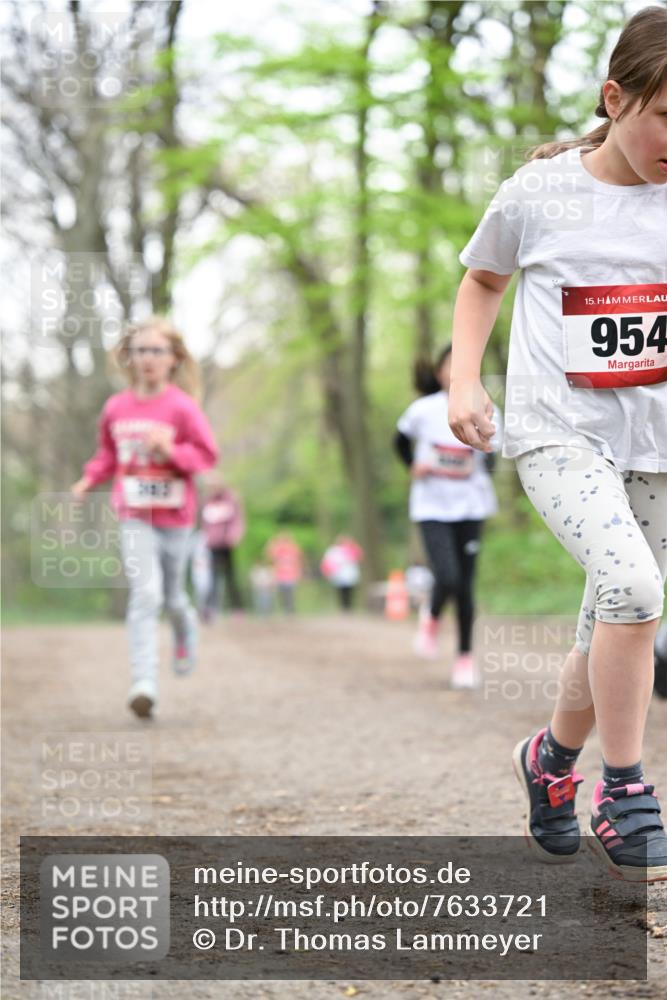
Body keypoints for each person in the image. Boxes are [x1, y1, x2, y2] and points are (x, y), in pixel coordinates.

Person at [448, 6, 667, 881]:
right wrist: (465, 384)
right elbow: (481, 281)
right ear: (615, 99)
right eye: (665, 119)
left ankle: (548, 760)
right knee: (630, 584)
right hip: (557, 431)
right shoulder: (539, 192)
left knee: (611, 612)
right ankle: (622, 786)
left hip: (651, 435)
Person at [71, 317, 218, 719]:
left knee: (173, 598)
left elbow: (206, 456)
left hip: (176, 517)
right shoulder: (116, 408)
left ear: (173, 359)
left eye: (157, 351)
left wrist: (171, 452)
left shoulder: (182, 407)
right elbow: (106, 454)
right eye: (140, 351)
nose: (148, 358)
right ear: (129, 358)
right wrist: (87, 481)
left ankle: (185, 628)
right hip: (134, 513)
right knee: (146, 593)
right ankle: (144, 683)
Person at [395, 346, 500, 687]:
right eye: (448, 365)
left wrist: (479, 463)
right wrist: (414, 466)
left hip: (470, 505)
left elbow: (494, 454)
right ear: (440, 371)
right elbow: (398, 441)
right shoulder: (422, 410)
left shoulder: (485, 406)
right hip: (431, 505)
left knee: (467, 584)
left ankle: (465, 659)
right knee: (448, 575)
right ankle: (432, 615)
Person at [200, 477, 246, 621]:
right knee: (213, 576)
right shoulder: (207, 501)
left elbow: (237, 519)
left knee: (230, 576)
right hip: (213, 544)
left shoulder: (231, 498)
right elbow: (205, 523)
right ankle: (209, 609)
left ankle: (237, 608)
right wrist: (206, 537)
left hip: (227, 544)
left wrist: (234, 536)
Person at [320, 536, 364, 611]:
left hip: (349, 574)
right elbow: (329, 561)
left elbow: (358, 556)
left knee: (349, 591)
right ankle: (343, 606)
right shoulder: (334, 550)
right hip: (339, 574)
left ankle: (348, 606)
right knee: (341, 590)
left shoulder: (351, 549)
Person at [266, 533, 303, 613]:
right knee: (282, 595)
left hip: (291, 576)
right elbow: (269, 555)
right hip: (280, 576)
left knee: (290, 594)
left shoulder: (293, 549)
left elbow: (298, 561)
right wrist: (272, 543)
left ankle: (290, 610)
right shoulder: (278, 551)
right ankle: (286, 609)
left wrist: (299, 572)